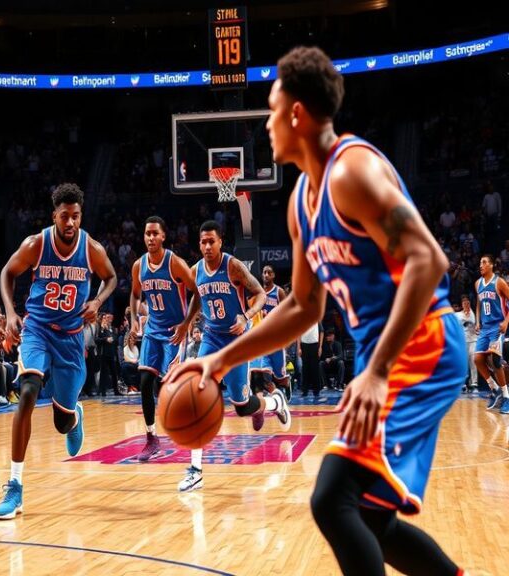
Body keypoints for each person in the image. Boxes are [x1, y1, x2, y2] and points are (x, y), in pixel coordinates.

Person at [167, 46, 467, 576]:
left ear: (298, 113)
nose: (266, 123)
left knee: (333, 498)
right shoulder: (301, 198)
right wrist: (219, 361)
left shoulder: (352, 171)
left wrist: (375, 371)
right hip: (386, 357)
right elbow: (304, 307)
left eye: (272, 107)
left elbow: (428, 259)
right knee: (369, 518)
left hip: (424, 347)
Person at [0, 182, 117, 520]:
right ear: (55, 216)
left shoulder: (91, 248)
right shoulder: (36, 244)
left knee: (62, 423)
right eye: (65, 217)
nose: (71, 223)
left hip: (72, 338)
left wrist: (98, 300)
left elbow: (111, 278)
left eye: (76, 216)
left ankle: (74, 413)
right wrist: (9, 312)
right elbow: (8, 272)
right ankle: (15, 486)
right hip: (37, 329)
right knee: (29, 391)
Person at [178, 219, 290, 492]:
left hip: (237, 340)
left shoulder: (233, 266)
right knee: (199, 396)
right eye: (202, 242)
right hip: (211, 339)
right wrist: (186, 322)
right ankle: (195, 470)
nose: (206, 246)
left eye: (211, 241)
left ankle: (274, 403)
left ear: (220, 242)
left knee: (241, 406)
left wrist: (247, 316)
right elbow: (196, 295)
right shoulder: (196, 270)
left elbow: (261, 295)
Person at [129, 215, 198, 462]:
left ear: (163, 236)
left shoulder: (175, 263)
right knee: (146, 381)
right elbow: (135, 295)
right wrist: (134, 320)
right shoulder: (139, 266)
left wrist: (187, 323)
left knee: (170, 384)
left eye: (155, 233)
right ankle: (151, 438)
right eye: (147, 233)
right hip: (153, 331)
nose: (150, 237)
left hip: (174, 332)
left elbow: (197, 292)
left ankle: (193, 424)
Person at [474, 254, 509, 413]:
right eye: (480, 262)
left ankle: (507, 397)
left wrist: (507, 321)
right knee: (477, 359)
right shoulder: (477, 284)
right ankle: (494, 389)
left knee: (495, 360)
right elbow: (479, 303)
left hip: (497, 326)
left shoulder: (499, 282)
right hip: (485, 327)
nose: (481, 265)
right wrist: (477, 321)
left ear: (491, 265)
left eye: (484, 262)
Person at [251, 265, 292, 397]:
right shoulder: (258, 294)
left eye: (269, 272)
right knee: (263, 372)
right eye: (264, 272)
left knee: (280, 376)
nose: (266, 275)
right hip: (262, 340)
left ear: (274, 275)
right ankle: (274, 395)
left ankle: (286, 383)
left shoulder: (279, 292)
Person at [455, 294, 478, 393]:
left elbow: (478, 326)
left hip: (473, 340)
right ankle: (463, 384)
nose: (466, 304)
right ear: (462, 304)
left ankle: (474, 384)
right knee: (463, 364)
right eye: (464, 303)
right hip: (462, 341)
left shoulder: (474, 314)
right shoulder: (458, 315)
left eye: (468, 302)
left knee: (473, 362)